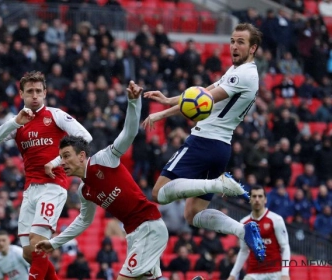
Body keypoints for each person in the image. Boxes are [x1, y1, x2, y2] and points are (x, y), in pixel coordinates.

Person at [142, 23, 265, 261]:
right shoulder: (239, 70)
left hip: (203, 142)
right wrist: (167, 102)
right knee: (193, 214)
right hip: (221, 148)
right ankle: (243, 229)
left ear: (253, 48)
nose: (234, 46)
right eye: (232, 41)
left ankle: (218, 185)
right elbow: (203, 91)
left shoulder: (244, 73)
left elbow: (202, 99)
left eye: (240, 42)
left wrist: (162, 112)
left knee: (158, 193)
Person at [35, 81, 169, 280]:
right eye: (61, 157)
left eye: (66, 156)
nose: (62, 162)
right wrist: (55, 243)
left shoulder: (104, 159)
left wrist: (133, 103)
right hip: (134, 234)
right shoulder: (84, 191)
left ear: (81, 156)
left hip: (148, 227)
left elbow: (129, 133)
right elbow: (83, 221)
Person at [0, 71, 92, 280]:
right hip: (30, 190)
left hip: (53, 186)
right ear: (21, 94)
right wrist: (15, 121)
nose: (34, 95)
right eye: (30, 91)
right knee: (29, 253)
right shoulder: (19, 122)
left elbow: (85, 137)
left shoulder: (56, 115)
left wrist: (57, 161)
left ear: (45, 93)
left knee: (38, 242)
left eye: (38, 91)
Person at [227, 186, 291, 280]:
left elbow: (285, 247)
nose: (257, 199)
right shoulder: (244, 223)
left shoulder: (276, 219)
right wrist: (233, 275)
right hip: (253, 274)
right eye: (254, 196)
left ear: (265, 200)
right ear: (250, 199)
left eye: (260, 196)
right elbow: (244, 251)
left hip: (275, 273)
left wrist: (285, 273)